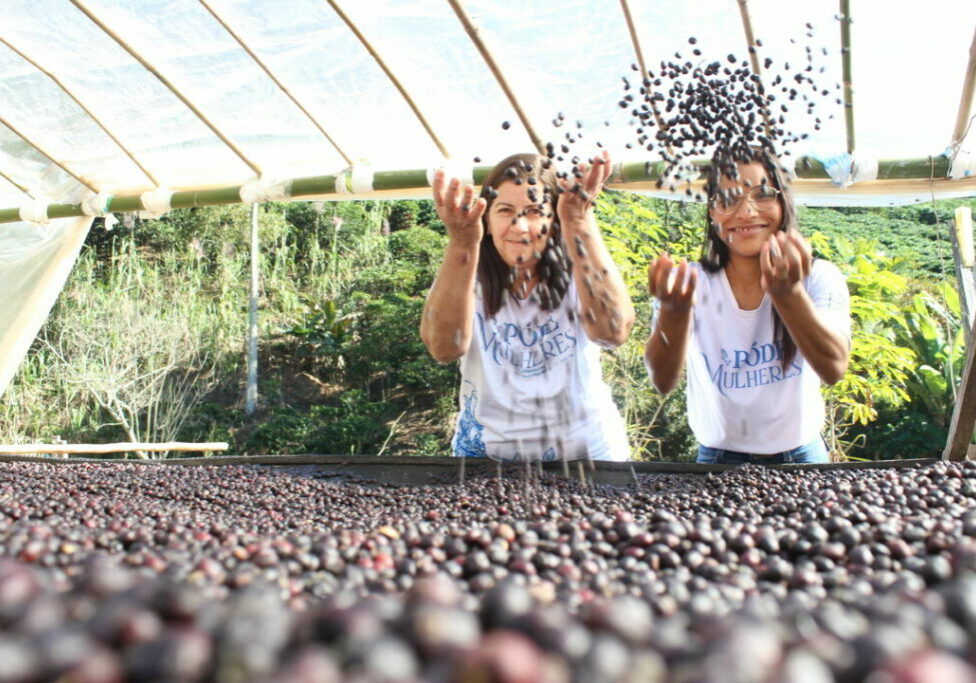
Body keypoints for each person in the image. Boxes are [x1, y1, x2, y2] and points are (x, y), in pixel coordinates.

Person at [421, 151, 635, 462]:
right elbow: (443, 348)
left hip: (588, 457)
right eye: (505, 210)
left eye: (535, 211)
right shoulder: (464, 274)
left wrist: (578, 218)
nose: (520, 227)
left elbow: (613, 332)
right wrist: (461, 242)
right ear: (488, 220)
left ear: (554, 219)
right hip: (484, 459)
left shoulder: (581, 267)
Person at [644, 145, 851, 464]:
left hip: (802, 456)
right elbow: (662, 379)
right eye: (728, 198)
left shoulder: (818, 277)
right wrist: (675, 314)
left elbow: (834, 368)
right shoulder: (690, 283)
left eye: (762, 193)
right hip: (717, 459)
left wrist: (788, 294)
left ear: (783, 201)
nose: (746, 212)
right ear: (712, 211)